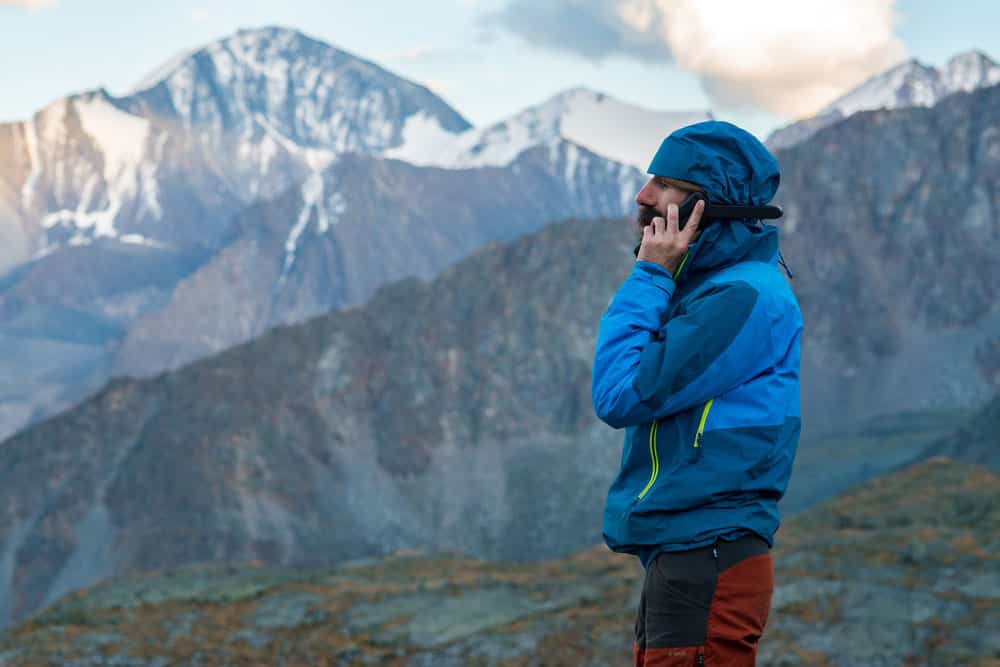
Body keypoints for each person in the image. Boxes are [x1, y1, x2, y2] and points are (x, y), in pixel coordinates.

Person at [591, 120, 803, 666]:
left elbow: (618, 393)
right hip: (690, 554)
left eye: (665, 183)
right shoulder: (717, 288)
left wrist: (649, 275)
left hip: (706, 555)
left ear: (705, 206)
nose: (643, 195)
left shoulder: (739, 298)